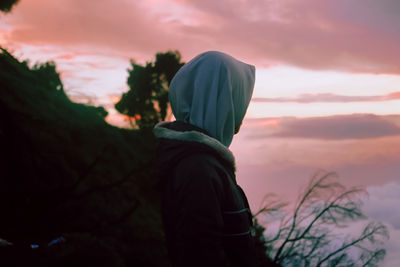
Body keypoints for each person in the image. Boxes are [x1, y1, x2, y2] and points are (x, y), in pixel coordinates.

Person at [153, 51, 257, 267]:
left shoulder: (202, 161)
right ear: (222, 103)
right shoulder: (198, 170)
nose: (240, 117)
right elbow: (202, 256)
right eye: (236, 101)